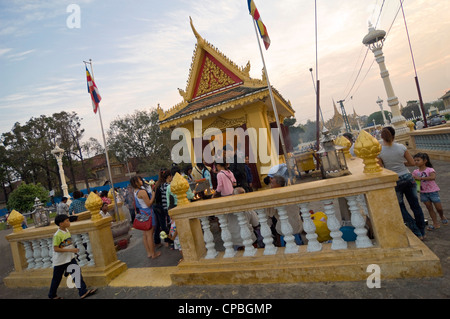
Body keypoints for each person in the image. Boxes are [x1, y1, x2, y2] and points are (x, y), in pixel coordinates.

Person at [378, 126, 426, 239]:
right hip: (407, 177)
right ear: (394, 136)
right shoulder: (401, 147)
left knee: (401, 208)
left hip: (395, 180)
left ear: (382, 137)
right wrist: (401, 164)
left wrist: (390, 165)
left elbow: (381, 169)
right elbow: (412, 162)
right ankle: (422, 231)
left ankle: (416, 232)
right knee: (415, 206)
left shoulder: (379, 151)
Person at [48, 214, 97, 299]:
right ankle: (52, 295)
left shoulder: (66, 231)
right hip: (60, 260)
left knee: (77, 272)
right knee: (57, 278)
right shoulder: (57, 235)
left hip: (69, 258)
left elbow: (66, 244)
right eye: (66, 221)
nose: (69, 222)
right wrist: (71, 250)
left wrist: (72, 250)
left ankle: (83, 292)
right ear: (61, 224)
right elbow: (56, 249)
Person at [412, 152, 448, 230]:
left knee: (439, 208)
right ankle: (435, 223)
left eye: (418, 160)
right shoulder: (415, 172)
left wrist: (420, 178)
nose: (416, 162)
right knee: (429, 208)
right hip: (423, 193)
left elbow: (433, 177)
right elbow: (414, 181)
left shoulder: (430, 169)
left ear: (425, 161)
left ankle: (442, 216)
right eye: (415, 160)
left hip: (433, 191)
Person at [267, 175, 304, 246]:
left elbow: (270, 214)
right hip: (297, 225)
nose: (270, 186)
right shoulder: (290, 193)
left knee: (273, 222)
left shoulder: (275, 197)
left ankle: (279, 243)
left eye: (272, 183)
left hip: (285, 228)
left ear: (278, 184)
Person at [130, 176, 161, 259]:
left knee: (145, 235)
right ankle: (153, 253)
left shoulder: (135, 191)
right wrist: (153, 195)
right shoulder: (142, 192)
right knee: (150, 234)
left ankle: (149, 253)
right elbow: (149, 203)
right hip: (148, 212)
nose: (141, 181)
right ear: (136, 182)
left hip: (142, 213)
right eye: (139, 180)